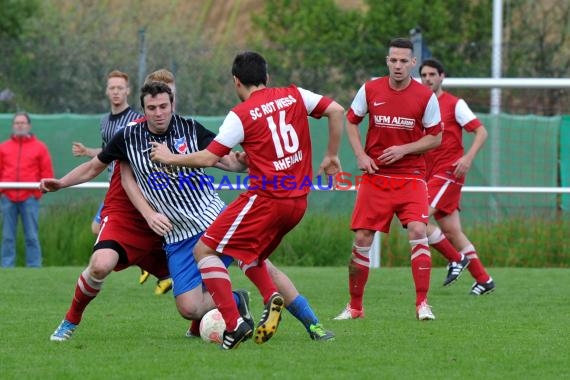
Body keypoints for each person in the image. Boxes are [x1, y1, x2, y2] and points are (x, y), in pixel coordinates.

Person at [42, 80, 337, 345]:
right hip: (177, 234)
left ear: (172, 105)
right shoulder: (128, 137)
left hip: (211, 216)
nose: (158, 113)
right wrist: (62, 183)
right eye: (152, 108)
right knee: (189, 308)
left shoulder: (191, 129)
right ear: (143, 109)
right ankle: (236, 302)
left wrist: (244, 160)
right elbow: (94, 167)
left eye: (163, 106)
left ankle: (313, 324)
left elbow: (227, 163)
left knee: (261, 264)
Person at [149, 51, 344, 349]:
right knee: (252, 257)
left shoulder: (240, 114)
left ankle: (234, 324)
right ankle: (312, 324)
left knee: (205, 250)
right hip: (298, 202)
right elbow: (337, 110)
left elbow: (208, 157)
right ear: (266, 77)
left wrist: (169, 157)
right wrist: (331, 154)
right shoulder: (294, 95)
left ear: (236, 82)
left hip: (265, 200)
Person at [333, 38, 442, 322]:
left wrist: (404, 149)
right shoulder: (370, 89)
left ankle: (422, 304)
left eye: (403, 61)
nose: (397, 65)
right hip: (375, 176)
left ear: (413, 63)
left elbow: (436, 137)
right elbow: (351, 120)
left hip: (411, 178)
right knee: (361, 237)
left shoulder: (425, 97)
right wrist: (359, 154)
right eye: (393, 60)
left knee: (418, 230)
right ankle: (355, 307)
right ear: (387, 61)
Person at [71, 69, 172, 295]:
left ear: (128, 91)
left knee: (103, 230)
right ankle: (154, 266)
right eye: (112, 88)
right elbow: (109, 151)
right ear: (107, 91)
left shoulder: (137, 120)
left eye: (120, 88)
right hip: (114, 186)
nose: (116, 92)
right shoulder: (105, 121)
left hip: (134, 191)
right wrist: (89, 152)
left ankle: (155, 266)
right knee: (100, 229)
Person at [419, 58, 495, 295]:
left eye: (432, 74)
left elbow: (481, 132)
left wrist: (467, 158)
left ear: (442, 77)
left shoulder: (454, 104)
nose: (428, 79)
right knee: (452, 231)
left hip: (448, 172)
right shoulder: (421, 105)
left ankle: (455, 259)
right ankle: (483, 279)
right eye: (424, 75)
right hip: (429, 174)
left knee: (417, 218)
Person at [0, 112, 54, 268]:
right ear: (13, 126)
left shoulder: (40, 148)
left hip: (30, 198)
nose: (20, 125)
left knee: (31, 236)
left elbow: (47, 173)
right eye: (17, 123)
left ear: (29, 125)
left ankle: (34, 266)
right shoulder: (3, 148)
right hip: (7, 198)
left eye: (23, 123)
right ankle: (6, 267)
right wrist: (2, 192)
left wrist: (36, 193)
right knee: (8, 237)